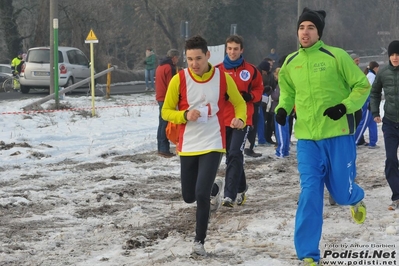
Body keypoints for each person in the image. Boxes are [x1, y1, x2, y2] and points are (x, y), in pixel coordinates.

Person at [275, 7, 370, 265]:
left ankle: (355, 196)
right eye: (302, 28)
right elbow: (287, 92)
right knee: (309, 193)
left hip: (337, 134)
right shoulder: (290, 62)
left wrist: (344, 107)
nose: (305, 32)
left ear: (319, 32)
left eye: (311, 28)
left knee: (340, 194)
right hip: (307, 138)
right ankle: (307, 255)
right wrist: (282, 109)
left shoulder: (336, 56)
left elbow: (362, 85)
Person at [161, 35, 247, 256]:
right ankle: (215, 188)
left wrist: (240, 119)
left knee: (200, 194)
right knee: (189, 196)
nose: (194, 64)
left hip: (213, 141)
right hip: (188, 143)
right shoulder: (178, 80)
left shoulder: (222, 78)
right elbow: (166, 111)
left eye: (198, 58)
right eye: (189, 59)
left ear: (208, 55)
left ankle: (199, 242)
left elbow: (239, 103)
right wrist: (184, 115)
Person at [215, 35, 263, 207]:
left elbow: (259, 88)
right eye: (229, 49)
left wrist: (251, 96)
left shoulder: (251, 70)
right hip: (223, 119)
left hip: (242, 119)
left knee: (234, 153)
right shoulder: (217, 70)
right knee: (232, 155)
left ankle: (229, 195)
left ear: (241, 50)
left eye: (236, 49)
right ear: (226, 50)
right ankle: (242, 188)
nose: (232, 52)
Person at [370, 40, 399, 211]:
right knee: (390, 159)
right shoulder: (383, 73)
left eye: (398, 54)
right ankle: (397, 195)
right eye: (392, 54)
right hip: (389, 123)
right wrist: (375, 112)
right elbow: (374, 93)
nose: (395, 57)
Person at [155, 49, 180, 158]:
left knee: (161, 123)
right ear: (174, 57)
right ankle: (164, 149)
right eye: (177, 58)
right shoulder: (170, 68)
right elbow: (172, 85)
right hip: (166, 98)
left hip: (160, 96)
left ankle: (160, 147)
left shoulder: (160, 66)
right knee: (165, 123)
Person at [244, 60, 271, 157]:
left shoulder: (252, 71)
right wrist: (265, 89)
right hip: (253, 102)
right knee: (252, 125)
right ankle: (249, 148)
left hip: (252, 101)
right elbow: (256, 88)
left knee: (251, 125)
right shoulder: (256, 73)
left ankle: (248, 146)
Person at [354, 61, 379, 148]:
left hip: (371, 102)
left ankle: (373, 142)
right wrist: (371, 102)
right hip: (368, 102)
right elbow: (369, 90)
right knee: (364, 122)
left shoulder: (370, 75)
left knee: (372, 122)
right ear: (375, 68)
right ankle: (354, 142)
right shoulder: (371, 76)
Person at [271, 67, 290, 158]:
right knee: (285, 130)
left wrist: (271, 92)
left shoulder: (281, 84)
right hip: (286, 110)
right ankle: (285, 150)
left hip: (279, 109)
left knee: (281, 131)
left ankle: (281, 151)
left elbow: (276, 96)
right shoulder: (288, 83)